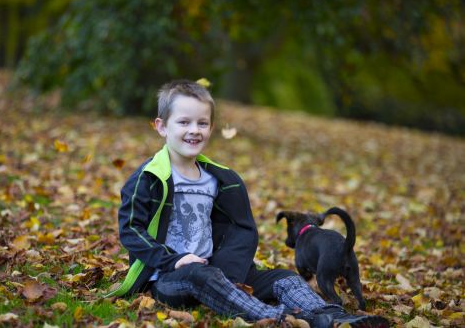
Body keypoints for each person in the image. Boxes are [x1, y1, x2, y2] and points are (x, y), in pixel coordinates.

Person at [113, 80, 389, 328]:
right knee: (200, 275)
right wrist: (174, 260)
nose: (194, 131)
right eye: (183, 123)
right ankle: (278, 320)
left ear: (211, 127)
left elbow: (242, 229)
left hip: (222, 272)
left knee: (284, 277)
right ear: (161, 126)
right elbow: (131, 231)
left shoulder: (221, 179)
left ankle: (333, 318)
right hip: (171, 278)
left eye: (202, 123)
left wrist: (231, 270)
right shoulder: (148, 178)